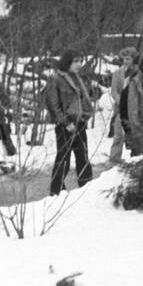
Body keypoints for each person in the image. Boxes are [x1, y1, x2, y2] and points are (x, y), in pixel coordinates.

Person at [44, 50, 95, 195]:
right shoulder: (56, 79)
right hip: (65, 125)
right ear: (67, 62)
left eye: (80, 61)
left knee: (83, 157)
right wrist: (66, 123)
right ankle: (56, 191)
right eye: (76, 61)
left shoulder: (78, 78)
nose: (79, 64)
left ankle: (87, 187)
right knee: (63, 159)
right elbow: (53, 105)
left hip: (79, 123)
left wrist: (85, 118)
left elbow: (84, 101)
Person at [107, 47, 138, 164]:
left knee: (135, 135)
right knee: (118, 135)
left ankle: (136, 158)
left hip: (135, 110)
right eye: (124, 59)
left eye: (128, 59)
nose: (125, 61)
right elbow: (114, 90)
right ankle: (114, 160)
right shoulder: (117, 73)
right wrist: (121, 100)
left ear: (133, 59)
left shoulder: (138, 73)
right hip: (121, 109)